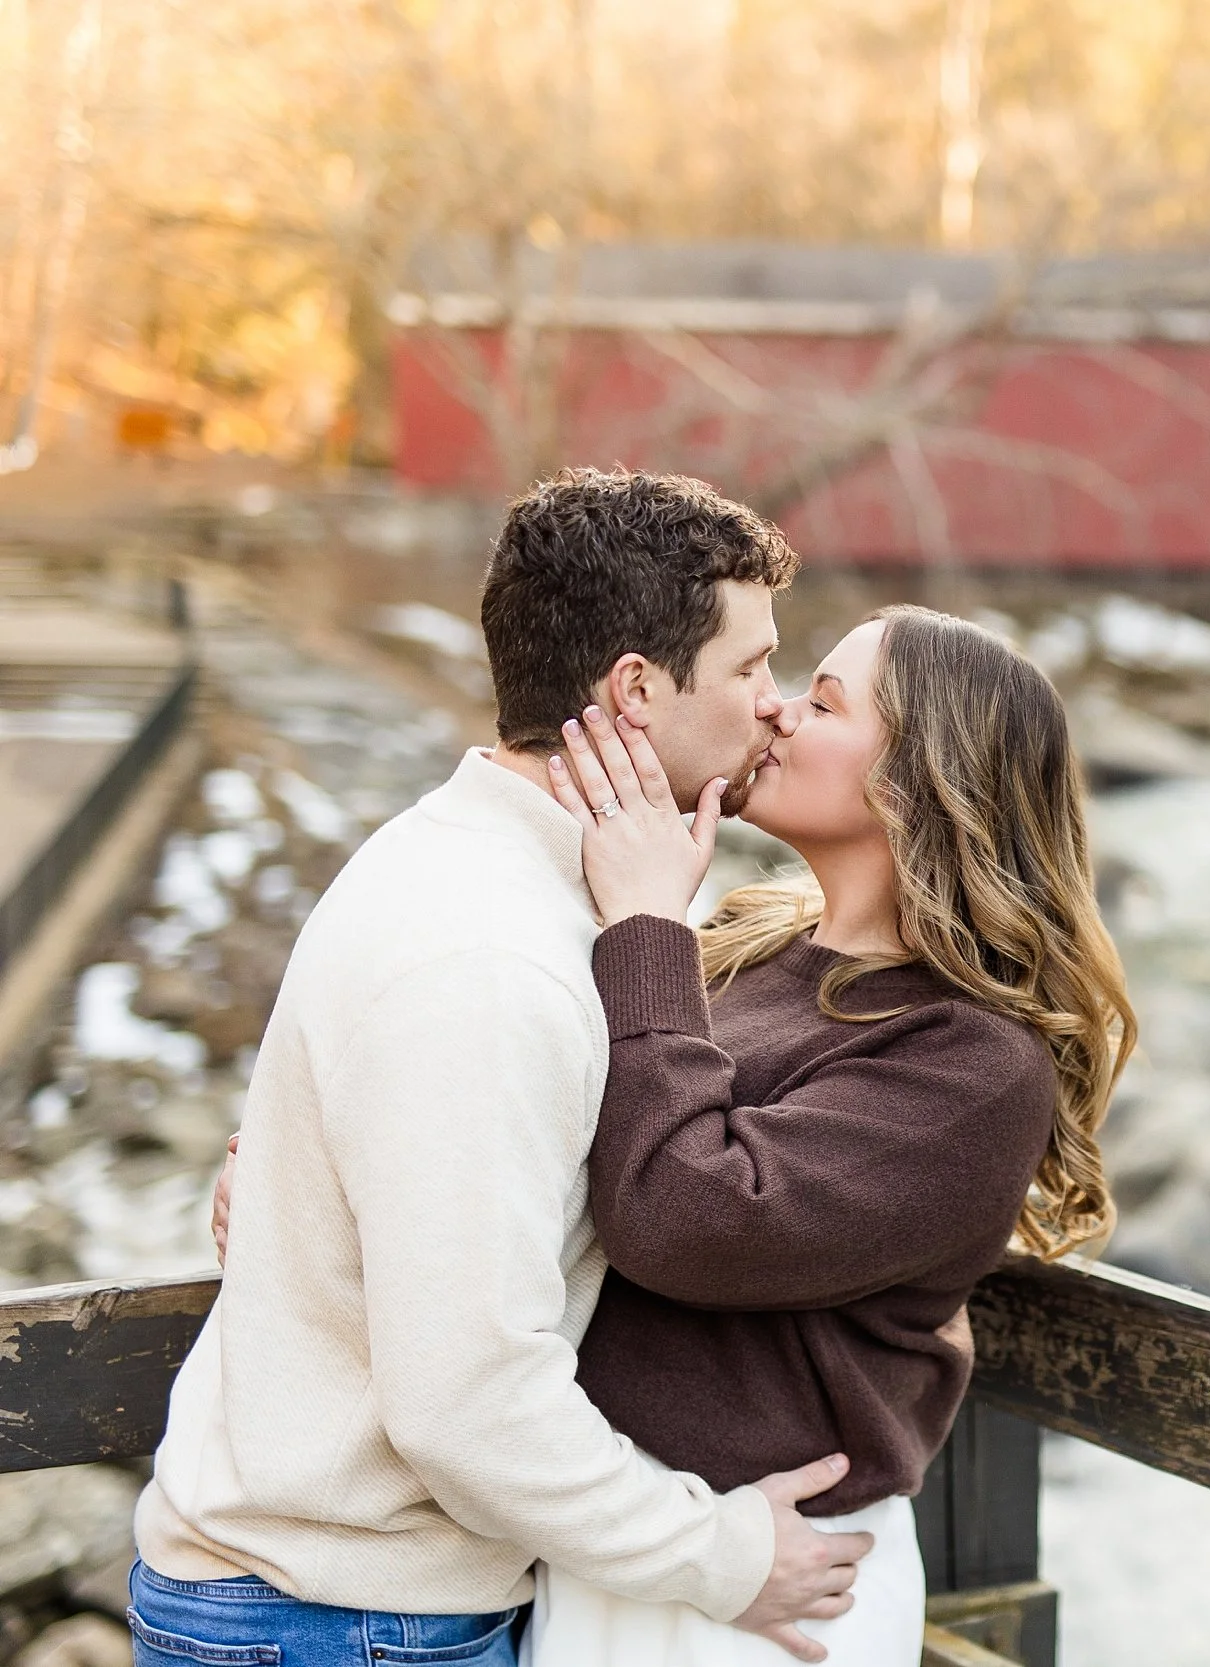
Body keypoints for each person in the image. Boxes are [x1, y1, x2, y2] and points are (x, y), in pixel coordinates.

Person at [136, 470, 871, 1667]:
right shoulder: (490, 958)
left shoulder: (481, 870)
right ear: (637, 688)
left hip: (340, 1608)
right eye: (749, 669)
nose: (773, 708)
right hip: (342, 1620)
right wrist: (726, 1557)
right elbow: (465, 1399)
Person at [521, 602, 1132, 1665]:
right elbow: (564, 1096)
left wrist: (647, 928)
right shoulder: (747, 942)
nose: (776, 709)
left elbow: (682, 1214)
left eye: (823, 700)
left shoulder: (974, 1061)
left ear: (915, 779)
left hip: (775, 1591)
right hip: (624, 1539)